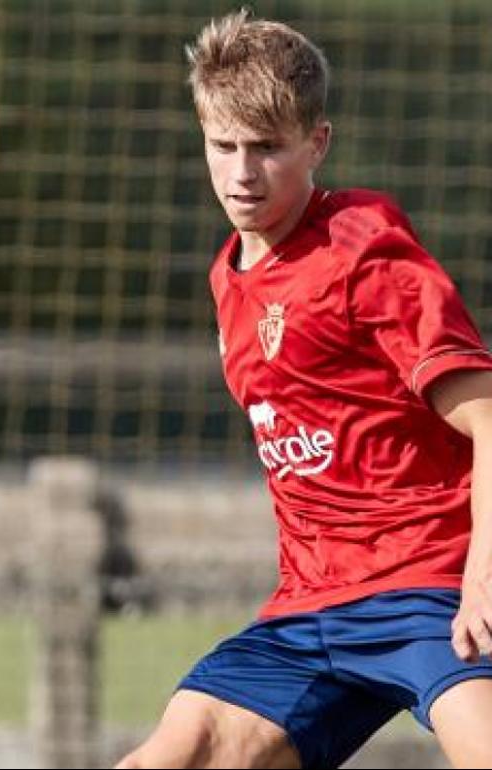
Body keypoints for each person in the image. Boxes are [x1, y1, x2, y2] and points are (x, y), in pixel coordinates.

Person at [117, 10, 492, 769]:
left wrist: (483, 573)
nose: (241, 174)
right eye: (223, 146)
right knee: (175, 752)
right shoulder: (228, 274)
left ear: (316, 142)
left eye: (266, 149)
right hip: (314, 603)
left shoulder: (363, 246)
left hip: (432, 582)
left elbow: (488, 420)